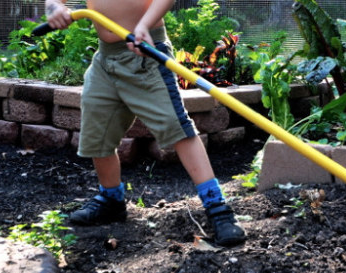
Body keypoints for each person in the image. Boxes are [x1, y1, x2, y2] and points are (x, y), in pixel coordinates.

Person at [45, 0, 246, 246]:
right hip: (105, 62)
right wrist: (54, 7)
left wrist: (144, 24)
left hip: (146, 54)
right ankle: (111, 200)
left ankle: (218, 208)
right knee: (98, 133)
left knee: (178, 128)